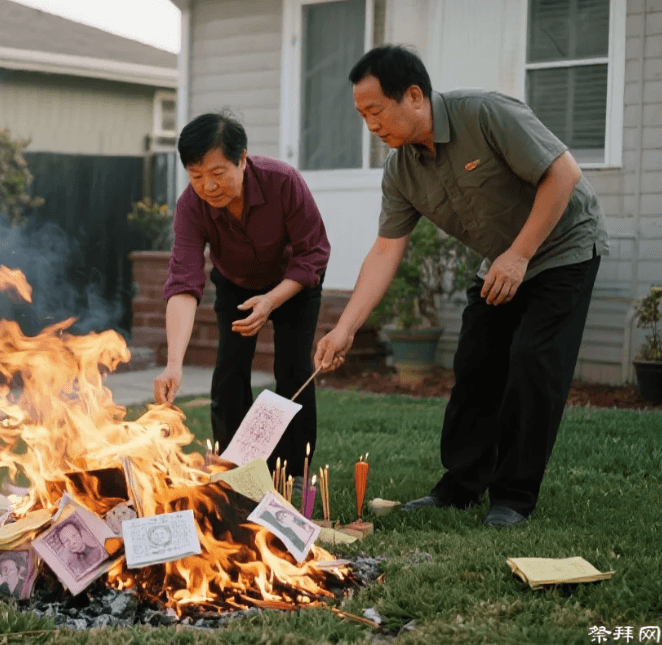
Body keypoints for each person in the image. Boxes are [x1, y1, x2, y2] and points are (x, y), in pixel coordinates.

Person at [315, 45, 608, 528]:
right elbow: (387, 250)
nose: (370, 125)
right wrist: (345, 327)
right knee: (475, 361)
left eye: (375, 111)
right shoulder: (401, 171)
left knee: (534, 361)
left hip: (563, 247)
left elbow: (563, 173)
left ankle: (513, 497)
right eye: (362, 115)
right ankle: (460, 486)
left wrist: (519, 254)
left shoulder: (485, 113)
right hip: (502, 261)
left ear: (413, 95)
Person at [153, 112, 331, 478]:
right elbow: (184, 284)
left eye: (218, 174)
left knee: (292, 369)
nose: (208, 186)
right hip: (235, 282)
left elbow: (312, 253)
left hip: (293, 282)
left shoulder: (283, 182)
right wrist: (174, 363)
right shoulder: (190, 206)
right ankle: (234, 469)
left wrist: (271, 301)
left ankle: (292, 473)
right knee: (230, 370)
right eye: (196, 176)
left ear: (243, 159)